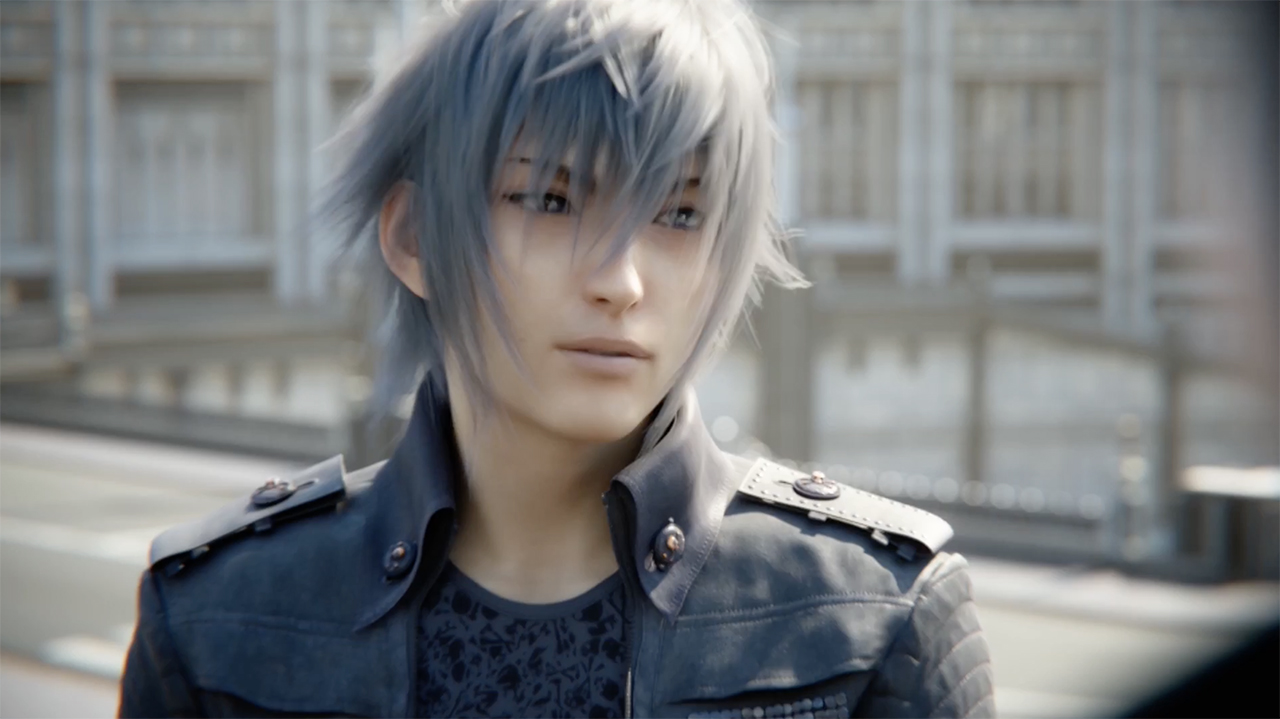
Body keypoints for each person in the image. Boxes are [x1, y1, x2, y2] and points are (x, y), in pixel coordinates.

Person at [118, 0, 994, 716]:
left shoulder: (878, 617)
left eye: (679, 213)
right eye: (550, 198)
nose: (621, 281)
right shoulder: (216, 622)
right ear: (414, 236)